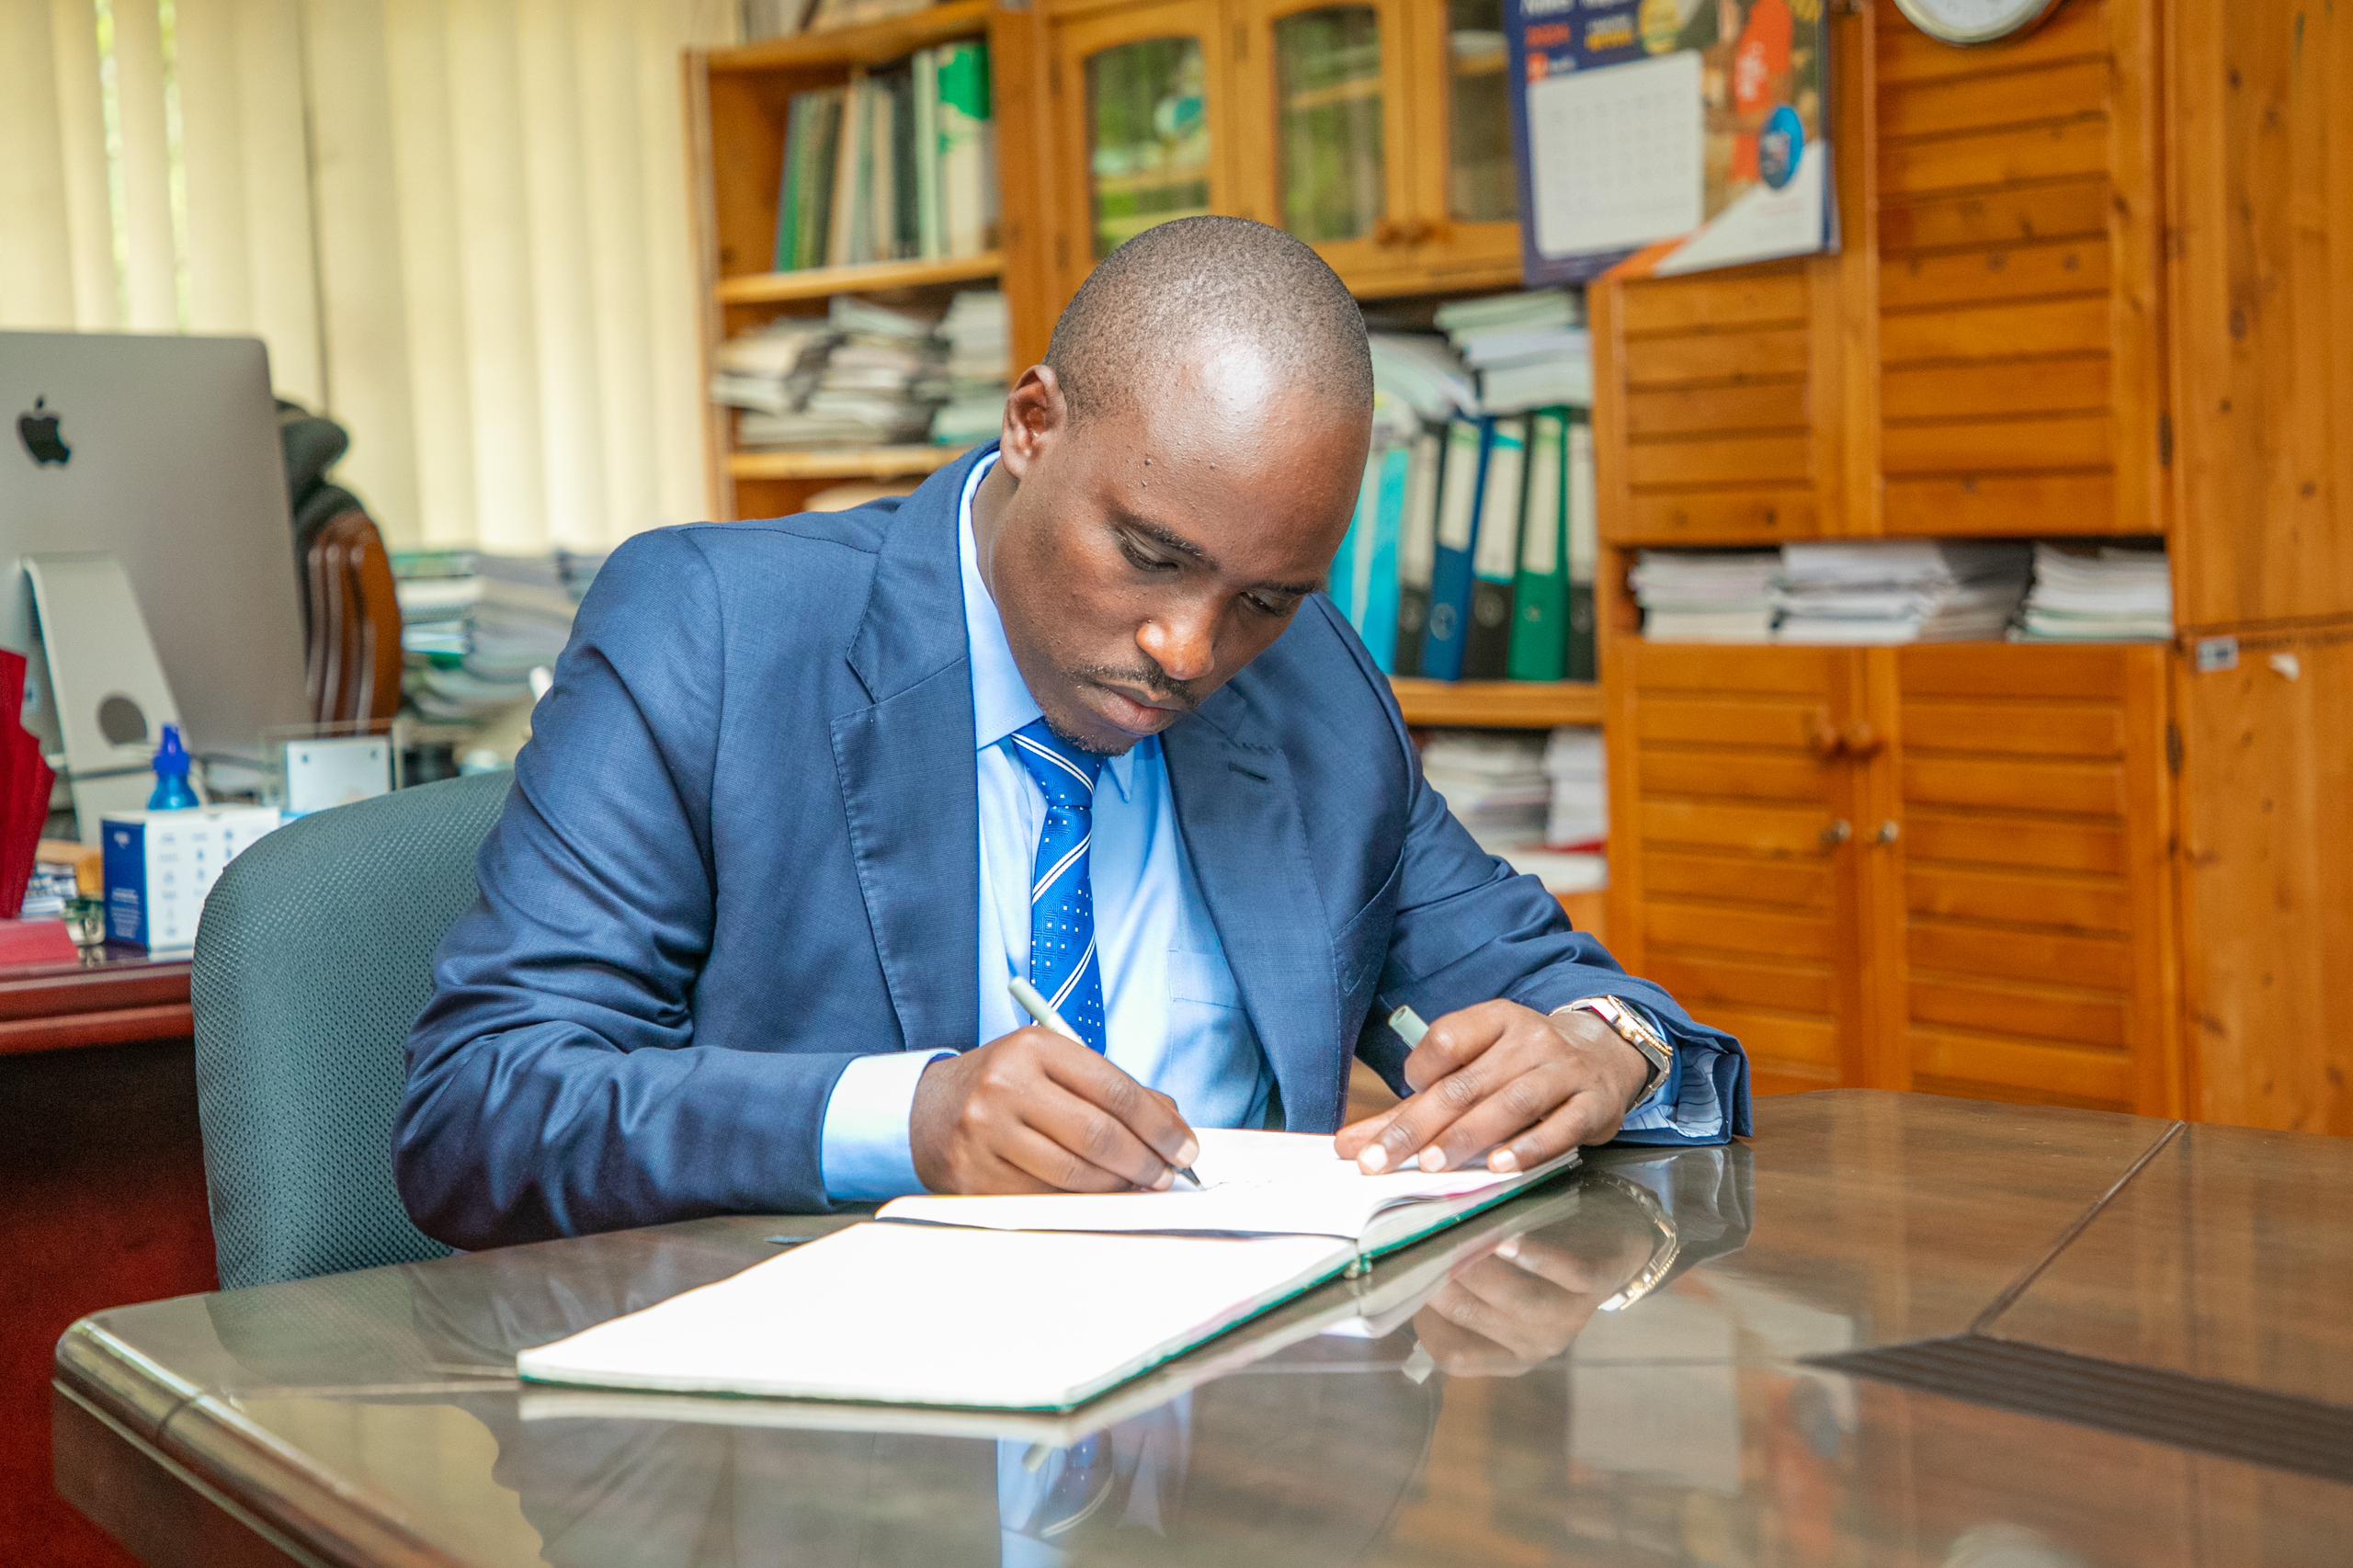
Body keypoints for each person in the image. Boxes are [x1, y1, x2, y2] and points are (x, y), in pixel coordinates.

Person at [395, 217, 1747, 1249]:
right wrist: (909, 1120)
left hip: (1233, 1432)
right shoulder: (718, 631)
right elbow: (483, 1106)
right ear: (1033, 425)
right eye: (1151, 556)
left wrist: (1604, 1048)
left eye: (1264, 599)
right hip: (820, 1449)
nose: (1191, 650)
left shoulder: (1309, 685)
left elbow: (1574, 992)